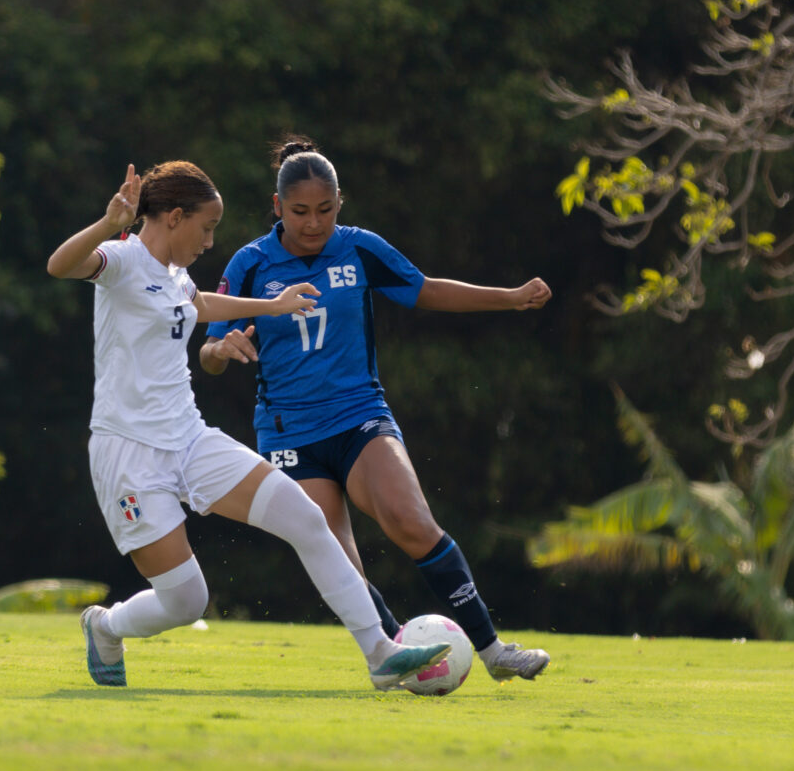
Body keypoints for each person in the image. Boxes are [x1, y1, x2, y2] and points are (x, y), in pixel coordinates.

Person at [46, 161, 450, 690]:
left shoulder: (175, 274)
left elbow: (200, 305)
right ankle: (105, 625)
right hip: (130, 455)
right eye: (207, 227)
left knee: (307, 519)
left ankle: (379, 652)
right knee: (187, 600)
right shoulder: (121, 259)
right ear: (173, 217)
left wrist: (274, 306)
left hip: (190, 440)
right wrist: (105, 224)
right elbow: (60, 266)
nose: (212, 241)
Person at [199, 136, 552, 684]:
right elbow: (209, 349)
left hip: (360, 415)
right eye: (299, 212)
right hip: (289, 431)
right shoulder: (249, 264)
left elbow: (426, 290)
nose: (313, 224)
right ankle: (394, 657)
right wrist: (220, 350)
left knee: (410, 522)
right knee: (338, 558)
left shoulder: (359, 248)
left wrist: (507, 296)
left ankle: (492, 650)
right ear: (276, 207)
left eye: (325, 210)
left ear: (340, 203)